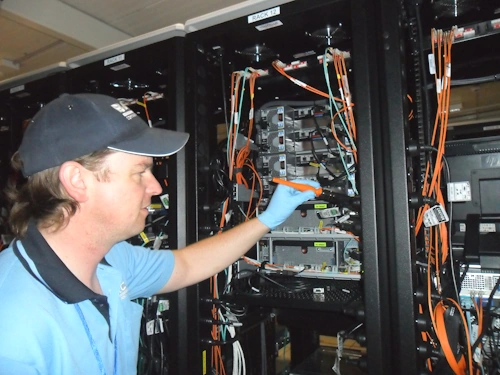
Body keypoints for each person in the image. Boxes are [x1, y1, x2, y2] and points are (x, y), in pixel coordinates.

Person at [0, 93, 319, 375]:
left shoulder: (111, 260)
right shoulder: (14, 323)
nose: (155, 187)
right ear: (78, 180)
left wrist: (267, 219)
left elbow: (186, 265)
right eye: (140, 172)